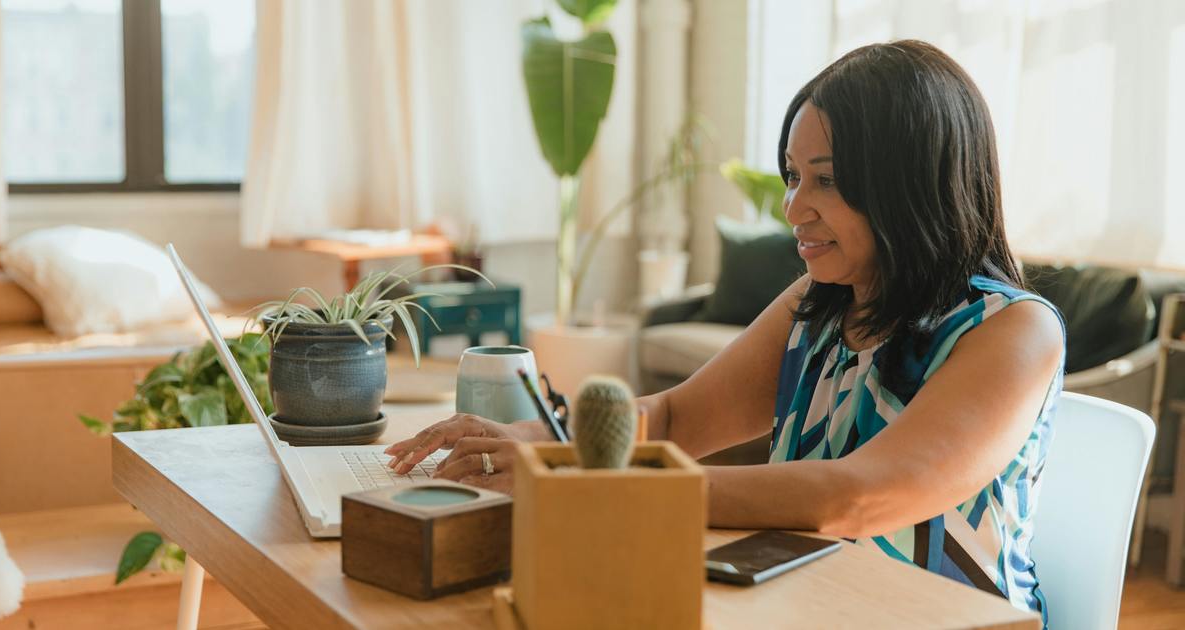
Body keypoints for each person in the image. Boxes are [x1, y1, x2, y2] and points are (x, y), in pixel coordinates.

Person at [386, 40, 1063, 621]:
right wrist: (548, 441)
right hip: (806, 601)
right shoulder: (823, 300)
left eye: (825, 181)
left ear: (911, 182)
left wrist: (597, 483)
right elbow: (679, 415)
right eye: (793, 177)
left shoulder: (1013, 333)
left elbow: (855, 497)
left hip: (940, 618)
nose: (795, 207)